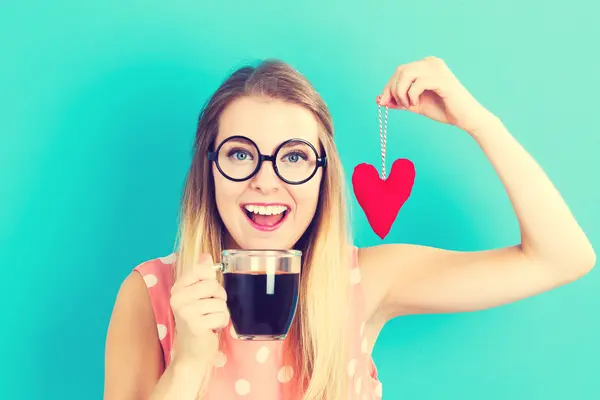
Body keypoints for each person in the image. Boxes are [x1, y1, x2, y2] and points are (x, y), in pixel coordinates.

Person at [104, 56, 596, 400]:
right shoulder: (150, 293)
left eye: (294, 156)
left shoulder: (366, 279)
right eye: (240, 154)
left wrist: (479, 122)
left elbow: (563, 257)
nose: (265, 180)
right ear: (207, 170)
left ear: (323, 175)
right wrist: (188, 364)